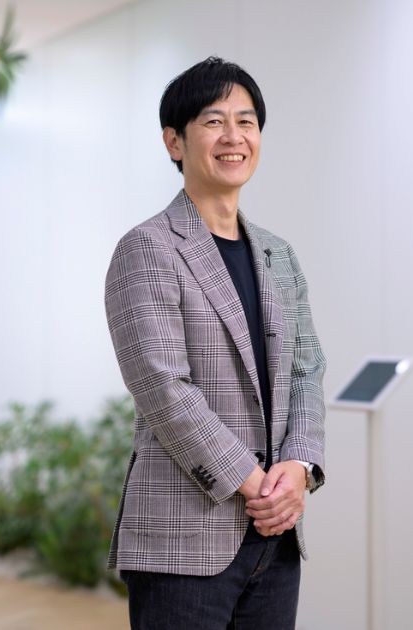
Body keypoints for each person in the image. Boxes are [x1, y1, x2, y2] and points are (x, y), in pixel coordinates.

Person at [103, 57, 328, 629]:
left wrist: (298, 467)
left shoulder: (278, 254)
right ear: (174, 142)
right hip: (185, 539)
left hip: (276, 539)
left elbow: (307, 371)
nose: (234, 137)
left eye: (246, 121)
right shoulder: (147, 248)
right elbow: (162, 388)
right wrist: (255, 486)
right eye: (213, 121)